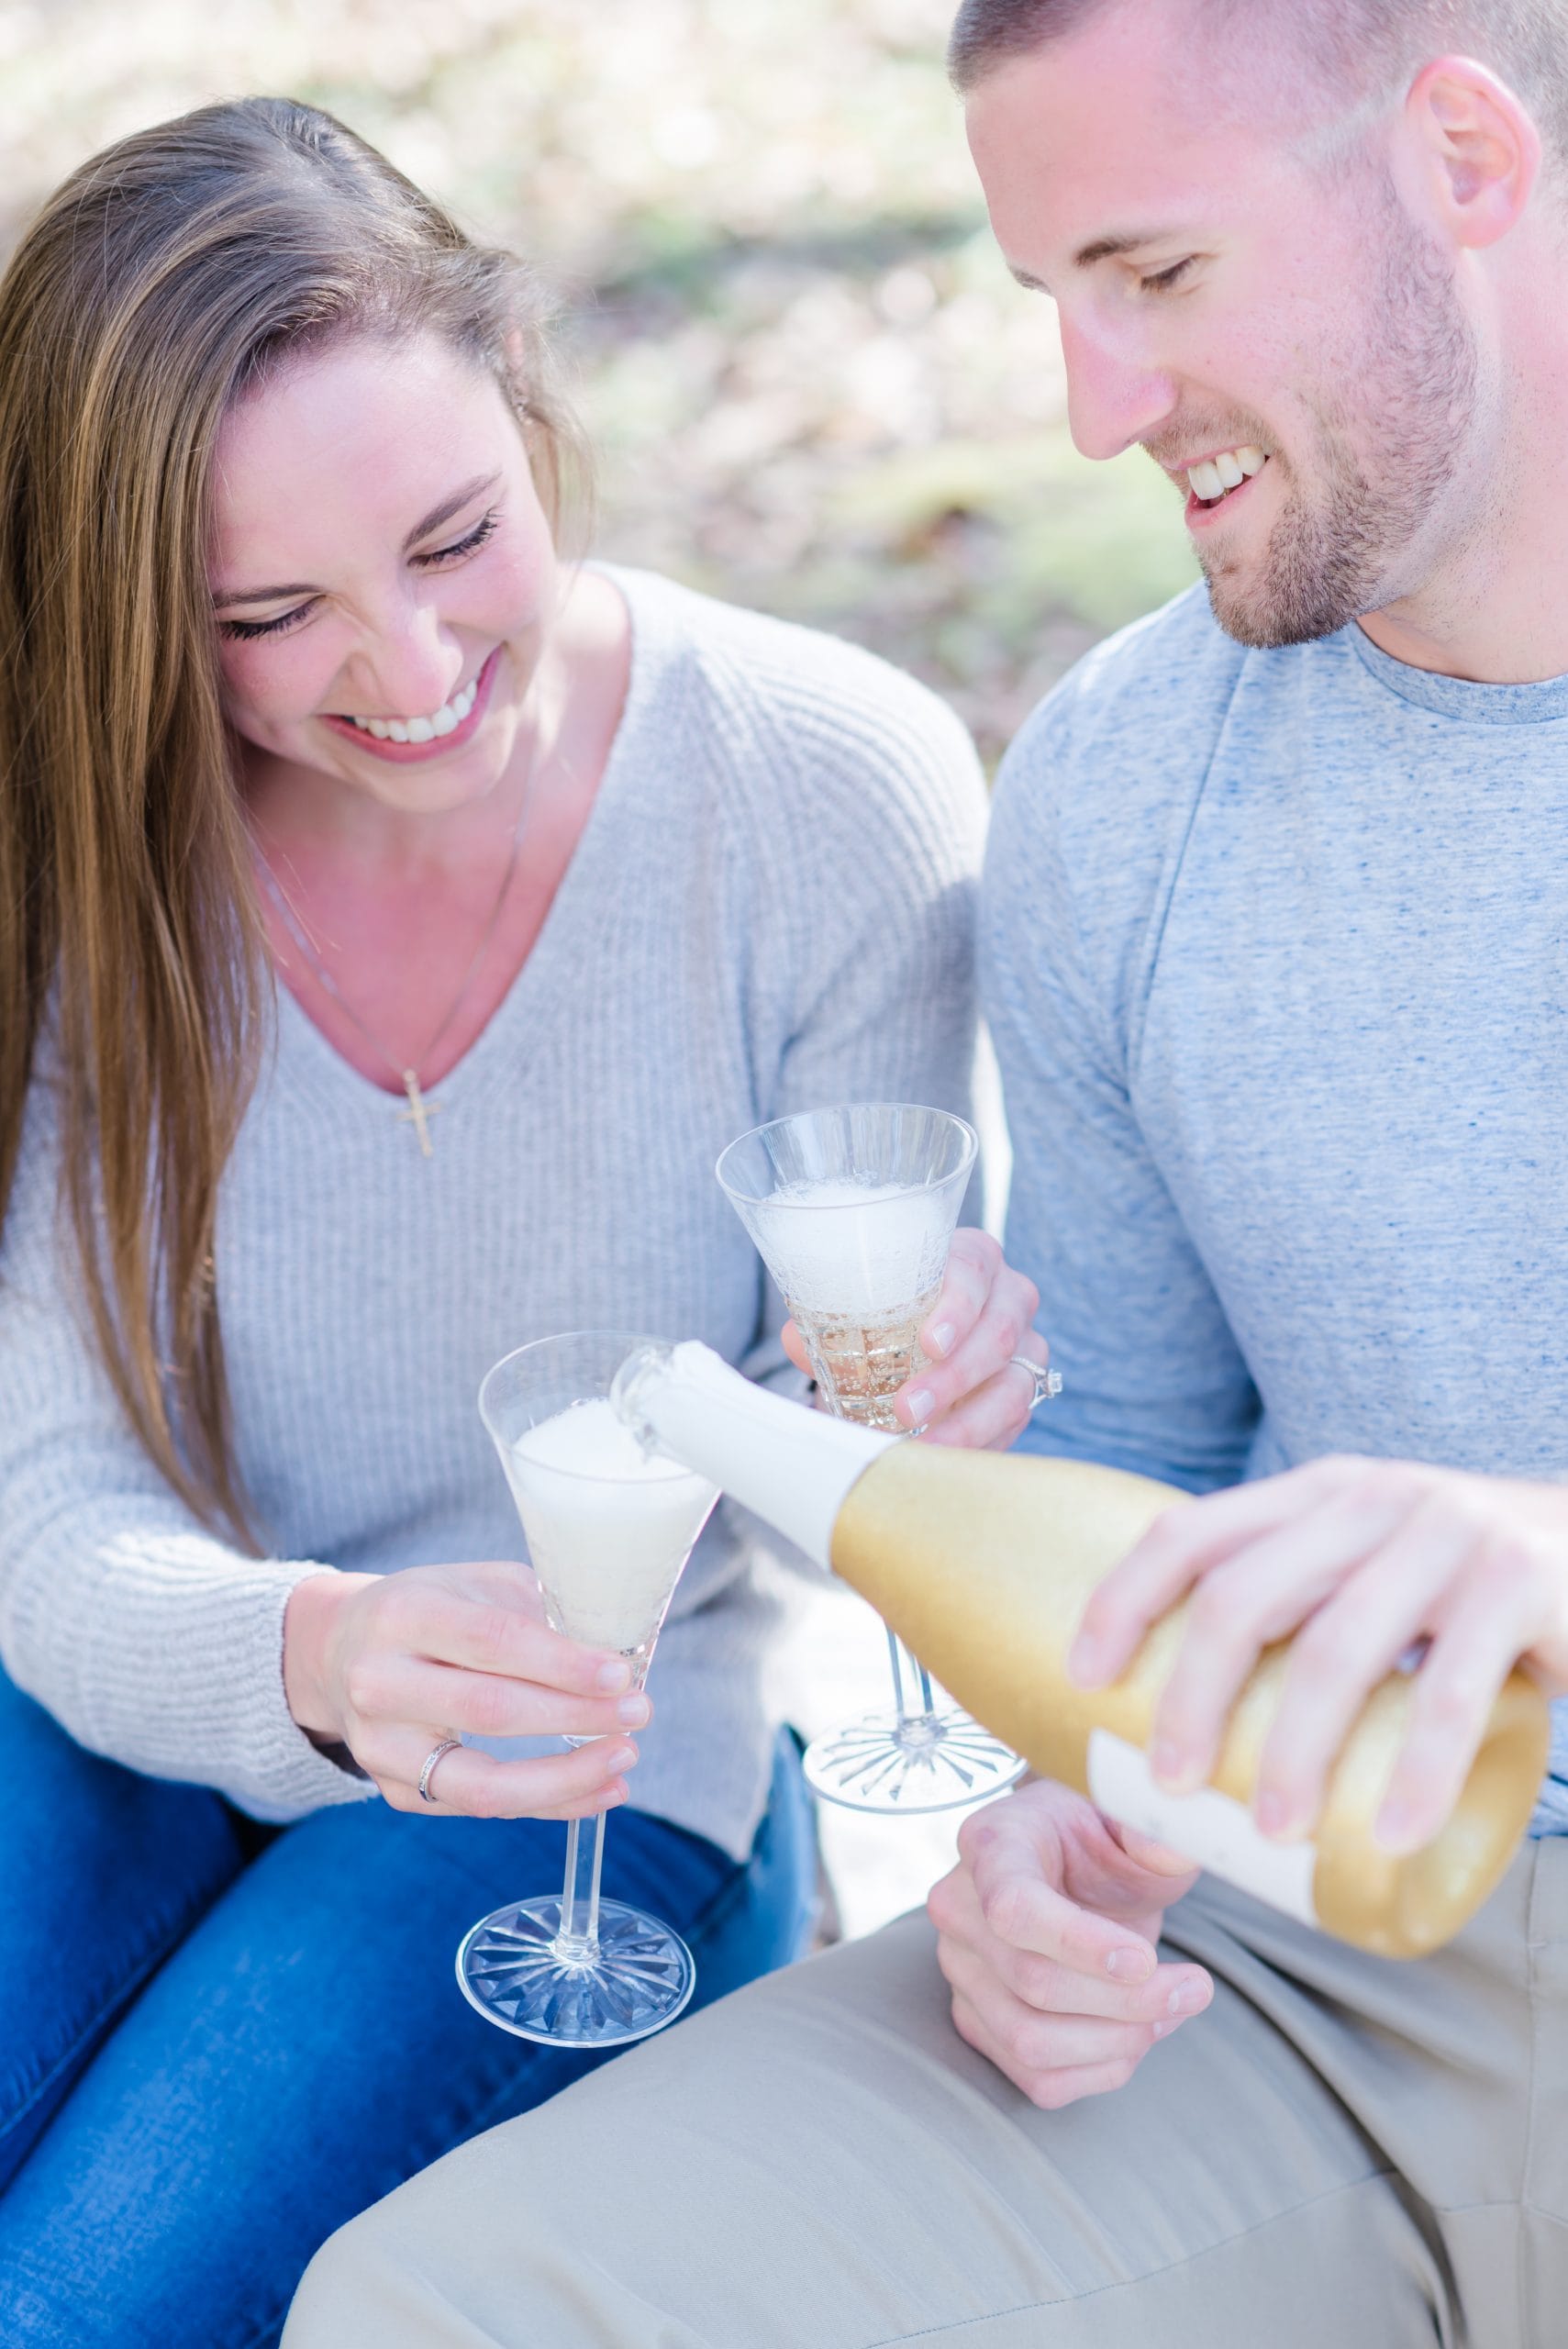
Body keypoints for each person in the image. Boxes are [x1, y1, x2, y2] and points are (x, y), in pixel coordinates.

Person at [284, 4, 1568, 2344]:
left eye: (1155, 272)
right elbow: (1133, 1495)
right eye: (1050, 296)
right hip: (1306, 1966)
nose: (1092, 403)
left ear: (1464, 156)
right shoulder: (1122, 787)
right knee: (442, 2304)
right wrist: (1054, 1833)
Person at [0, 96, 1047, 2348]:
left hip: (584, 1773)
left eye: (456, 536)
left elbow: (835, 1459)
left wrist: (925, 1416)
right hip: (135, 1688)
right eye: (267, 615)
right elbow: (47, 1503)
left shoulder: (822, 788)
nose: (406, 672)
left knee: (72, 2302)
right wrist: (310, 1655)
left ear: (527, 393)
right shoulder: (83, 856)